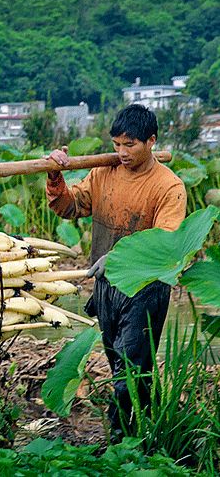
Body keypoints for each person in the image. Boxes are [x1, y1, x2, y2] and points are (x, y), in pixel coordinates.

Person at [46, 104, 186, 440]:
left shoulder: (169, 187)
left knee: (132, 369)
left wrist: (119, 256)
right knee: (118, 363)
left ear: (151, 141)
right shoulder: (103, 173)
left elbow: (167, 240)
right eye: (116, 145)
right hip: (106, 287)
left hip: (145, 289)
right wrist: (54, 175)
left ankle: (126, 442)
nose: (121, 153)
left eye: (130, 145)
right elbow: (69, 206)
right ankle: (135, 435)